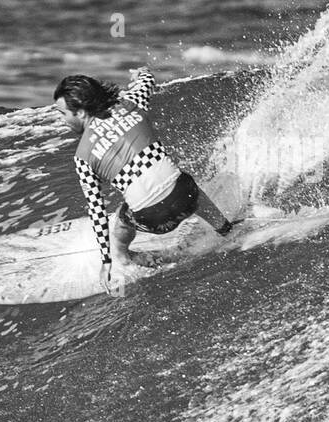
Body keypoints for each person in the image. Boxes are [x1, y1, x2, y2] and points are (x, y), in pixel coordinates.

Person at [52, 66, 235, 296]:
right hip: (186, 198)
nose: (61, 120)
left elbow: (96, 212)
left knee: (121, 219)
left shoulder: (82, 157)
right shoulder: (130, 103)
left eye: (62, 113)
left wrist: (105, 260)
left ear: (79, 112)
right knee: (186, 184)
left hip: (153, 220)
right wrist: (141, 73)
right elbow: (148, 80)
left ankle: (125, 260)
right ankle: (225, 228)